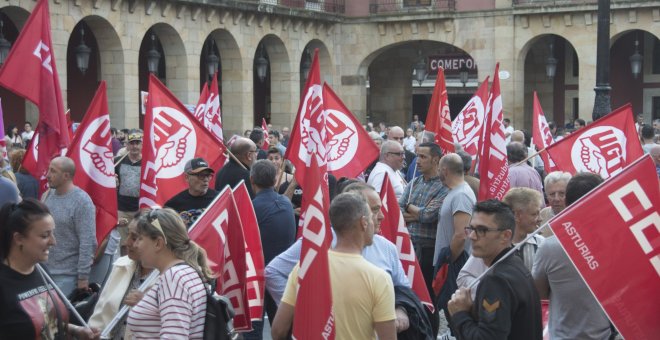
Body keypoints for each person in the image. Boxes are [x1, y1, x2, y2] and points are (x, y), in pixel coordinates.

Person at [265, 183, 412, 333]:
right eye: (374, 210)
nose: (381, 216)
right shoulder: (313, 249)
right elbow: (273, 271)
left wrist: (402, 309)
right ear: (361, 218)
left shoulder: (388, 250)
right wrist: (304, 313)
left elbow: (404, 290)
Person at [0, 199, 99, 339]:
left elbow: (48, 322)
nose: (53, 241)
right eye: (45, 236)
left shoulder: (42, 271)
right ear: (19, 238)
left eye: (52, 234)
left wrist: (76, 330)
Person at [532, 173, 612, 340]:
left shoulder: (550, 246)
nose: (556, 198)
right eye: (551, 194)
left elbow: (538, 292)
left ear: (567, 202)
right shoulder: (616, 242)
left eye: (561, 194)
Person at [448, 200, 542, 340]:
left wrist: (460, 314)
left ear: (505, 236)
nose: (472, 236)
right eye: (471, 229)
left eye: (481, 230)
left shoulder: (496, 279)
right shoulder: (515, 263)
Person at [127, 208, 211, 339]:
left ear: (158, 243)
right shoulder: (183, 273)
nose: (136, 245)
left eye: (140, 239)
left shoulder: (174, 278)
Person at [88, 212, 155, 340]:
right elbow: (100, 315)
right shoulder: (121, 265)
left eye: (135, 237)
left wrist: (148, 304)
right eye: (128, 234)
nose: (126, 242)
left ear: (157, 242)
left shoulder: (170, 277)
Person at [399, 142, 448, 298]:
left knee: (426, 296)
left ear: (435, 160)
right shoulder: (414, 183)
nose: (417, 161)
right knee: (409, 293)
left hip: (428, 250)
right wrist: (416, 213)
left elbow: (429, 215)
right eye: (417, 155)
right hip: (409, 246)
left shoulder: (444, 186)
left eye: (422, 157)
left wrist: (409, 208)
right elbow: (397, 211)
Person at [43, 157, 96, 297]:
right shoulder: (48, 195)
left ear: (66, 176)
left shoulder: (82, 201)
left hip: (67, 277)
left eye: (53, 171)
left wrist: (83, 278)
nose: (47, 175)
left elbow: (87, 241)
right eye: (49, 169)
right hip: (44, 272)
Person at [433, 153, 476, 311]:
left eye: (438, 170)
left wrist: (447, 262)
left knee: (451, 314)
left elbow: (461, 234)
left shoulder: (461, 195)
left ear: (444, 171)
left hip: (454, 267)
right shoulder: (456, 192)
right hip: (451, 265)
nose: (438, 174)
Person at [164, 158, 218, 228]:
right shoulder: (173, 205)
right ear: (187, 177)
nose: (206, 179)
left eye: (208, 175)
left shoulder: (219, 198)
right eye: (201, 175)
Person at [115, 131, 143, 254]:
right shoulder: (118, 161)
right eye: (132, 143)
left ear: (142, 145)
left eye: (137, 143)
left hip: (140, 210)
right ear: (127, 145)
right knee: (124, 244)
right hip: (122, 209)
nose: (135, 146)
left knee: (140, 243)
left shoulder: (147, 163)